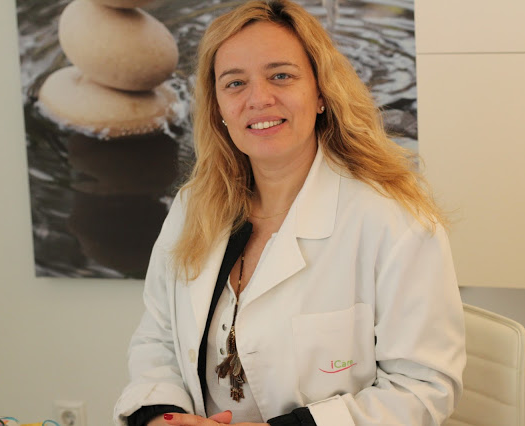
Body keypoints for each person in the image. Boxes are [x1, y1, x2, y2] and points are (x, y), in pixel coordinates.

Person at [113, 0, 466, 425]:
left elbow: (423, 387)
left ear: (320, 93)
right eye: (235, 83)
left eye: (281, 75)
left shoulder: (395, 221)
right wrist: (161, 416)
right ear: (219, 108)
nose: (259, 99)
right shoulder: (193, 208)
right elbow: (158, 339)